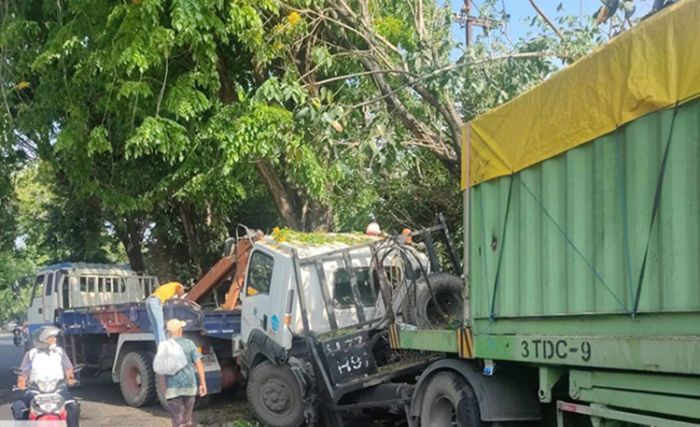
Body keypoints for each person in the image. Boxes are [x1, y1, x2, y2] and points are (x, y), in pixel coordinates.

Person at [13, 325, 80, 427]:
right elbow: (23, 373)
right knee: (18, 407)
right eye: (51, 338)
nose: (55, 340)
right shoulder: (31, 354)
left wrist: (71, 379)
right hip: (34, 391)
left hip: (58, 390)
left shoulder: (60, 352)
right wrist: (21, 383)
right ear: (42, 340)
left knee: (73, 407)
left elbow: (68, 369)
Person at [164, 319, 207, 427]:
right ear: (180, 331)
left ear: (168, 333)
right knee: (187, 422)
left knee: (177, 422)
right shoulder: (189, 344)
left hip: (173, 390)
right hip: (189, 388)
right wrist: (203, 383)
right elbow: (199, 364)